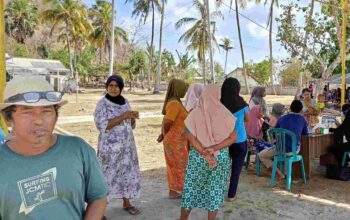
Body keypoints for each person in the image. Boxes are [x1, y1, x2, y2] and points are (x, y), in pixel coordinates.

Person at [0, 76, 108, 220]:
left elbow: (99, 197)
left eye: (47, 111)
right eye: (27, 111)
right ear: (8, 118)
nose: (38, 120)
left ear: (56, 116)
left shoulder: (78, 150)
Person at [180, 85, 237, 220]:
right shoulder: (226, 114)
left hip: (199, 157)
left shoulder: (195, 113)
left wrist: (205, 152)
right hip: (220, 157)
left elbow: (189, 135)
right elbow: (233, 137)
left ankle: (183, 219)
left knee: (191, 188)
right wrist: (215, 148)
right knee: (215, 190)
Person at [94, 75, 141, 215]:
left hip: (126, 148)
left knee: (126, 173)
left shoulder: (125, 102)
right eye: (111, 86)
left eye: (116, 86)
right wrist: (124, 116)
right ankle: (100, 211)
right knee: (107, 175)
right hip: (109, 149)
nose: (113, 89)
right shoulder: (102, 103)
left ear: (121, 88)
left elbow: (130, 125)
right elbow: (103, 125)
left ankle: (127, 203)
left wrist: (132, 118)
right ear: (106, 87)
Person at [258, 100, 308, 179]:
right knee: (289, 149)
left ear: (290, 108)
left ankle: (279, 172)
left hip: (280, 149)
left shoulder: (282, 118)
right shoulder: (302, 119)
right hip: (294, 150)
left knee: (261, 155)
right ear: (301, 110)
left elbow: (275, 130)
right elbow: (305, 134)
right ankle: (284, 173)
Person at [157, 79, 189, 199]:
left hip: (179, 140)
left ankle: (178, 188)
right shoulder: (174, 103)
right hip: (174, 140)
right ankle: (175, 190)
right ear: (178, 89)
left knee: (180, 163)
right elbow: (167, 121)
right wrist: (166, 134)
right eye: (184, 89)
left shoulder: (176, 102)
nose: (185, 92)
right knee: (176, 164)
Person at [220, 77, 249, 201]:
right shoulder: (242, 103)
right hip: (240, 140)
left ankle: (219, 192)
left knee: (222, 168)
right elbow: (247, 119)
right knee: (236, 169)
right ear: (237, 88)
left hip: (223, 140)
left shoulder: (219, 103)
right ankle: (231, 195)